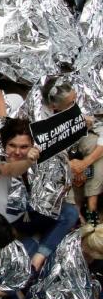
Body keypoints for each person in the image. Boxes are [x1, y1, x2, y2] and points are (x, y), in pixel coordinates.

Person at [0, 118, 79, 270]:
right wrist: (29, 160)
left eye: (24, 147)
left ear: (33, 146)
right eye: (12, 145)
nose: (18, 152)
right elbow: (10, 170)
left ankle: (40, 255)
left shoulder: (36, 160)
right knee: (19, 261)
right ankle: (33, 247)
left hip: (18, 217)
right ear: (4, 145)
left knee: (69, 212)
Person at [43, 80, 103, 229]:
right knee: (64, 172)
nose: (75, 105)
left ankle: (92, 206)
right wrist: (72, 167)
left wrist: (85, 163)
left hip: (81, 154)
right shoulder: (42, 118)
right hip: (58, 161)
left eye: (75, 100)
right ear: (54, 106)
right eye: (70, 104)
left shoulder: (81, 106)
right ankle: (76, 214)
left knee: (96, 148)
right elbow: (48, 153)